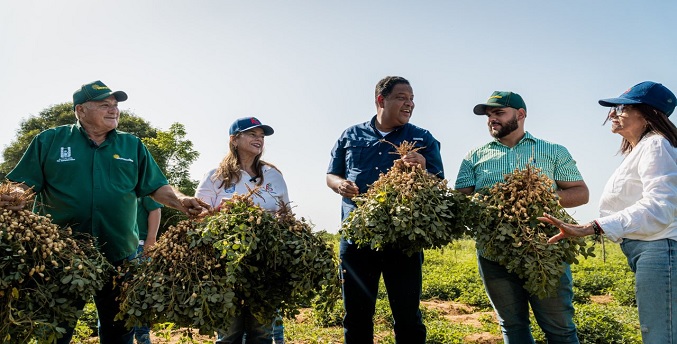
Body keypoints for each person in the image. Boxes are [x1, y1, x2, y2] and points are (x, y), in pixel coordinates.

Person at [0, 80, 209, 344]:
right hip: (62, 253)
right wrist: (15, 195)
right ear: (80, 110)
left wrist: (182, 201)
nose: (113, 110)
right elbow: (22, 184)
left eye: (115, 105)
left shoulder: (131, 146)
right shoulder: (50, 141)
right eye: (104, 105)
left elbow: (156, 186)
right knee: (55, 329)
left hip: (120, 255)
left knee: (119, 330)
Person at [539, 81, 677, 343]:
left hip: (659, 250)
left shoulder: (657, 145)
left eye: (622, 107)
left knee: (661, 335)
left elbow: (660, 207)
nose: (613, 114)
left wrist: (592, 226)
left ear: (648, 114)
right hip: (650, 250)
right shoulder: (641, 149)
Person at [455, 90, 589, 343]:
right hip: (493, 252)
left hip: (545, 250)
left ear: (520, 114)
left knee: (559, 327)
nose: (491, 119)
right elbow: (461, 198)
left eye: (498, 113)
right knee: (512, 326)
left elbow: (581, 193)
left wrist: (536, 198)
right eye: (488, 115)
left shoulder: (553, 151)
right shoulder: (475, 155)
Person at [326, 76, 443, 343]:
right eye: (402, 97)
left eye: (412, 99)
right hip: (357, 238)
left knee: (407, 315)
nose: (410, 104)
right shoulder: (350, 135)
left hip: (403, 241)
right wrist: (340, 185)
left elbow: (439, 182)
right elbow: (331, 175)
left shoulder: (422, 138)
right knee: (356, 314)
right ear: (381, 100)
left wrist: (423, 167)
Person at [195, 116, 289, 344]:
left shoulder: (273, 174)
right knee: (229, 332)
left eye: (261, 136)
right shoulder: (216, 176)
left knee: (262, 332)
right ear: (234, 140)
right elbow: (197, 218)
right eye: (252, 135)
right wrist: (219, 210)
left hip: (264, 262)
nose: (259, 140)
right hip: (225, 264)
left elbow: (286, 215)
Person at [133, 196, 163, 344]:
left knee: (142, 294)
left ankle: (142, 336)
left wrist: (151, 240)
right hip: (116, 245)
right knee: (113, 295)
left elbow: (155, 210)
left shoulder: (140, 185)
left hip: (140, 247)